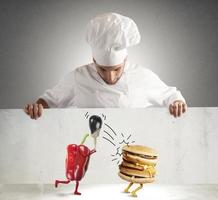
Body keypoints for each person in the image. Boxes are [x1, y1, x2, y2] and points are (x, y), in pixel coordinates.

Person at [24, 13, 187, 120]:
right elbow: (48, 101)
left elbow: (172, 96)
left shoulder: (143, 76)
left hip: (133, 149)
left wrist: (177, 103)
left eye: (116, 69)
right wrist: (37, 107)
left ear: (126, 60)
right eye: (102, 69)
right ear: (93, 60)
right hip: (89, 149)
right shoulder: (78, 77)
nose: (110, 77)